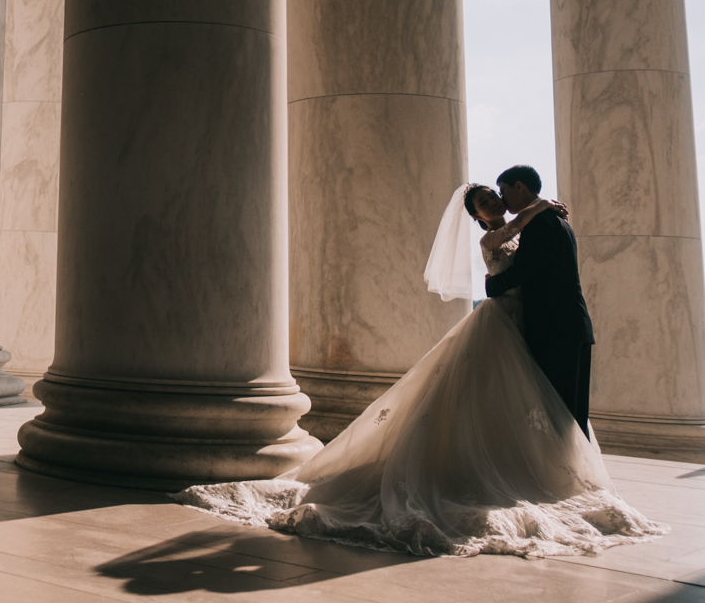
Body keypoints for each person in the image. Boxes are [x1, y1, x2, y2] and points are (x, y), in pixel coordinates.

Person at [173, 177, 663, 558]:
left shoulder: (522, 228)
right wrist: (540, 205)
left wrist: (539, 211)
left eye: (494, 197)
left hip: (523, 326)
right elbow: (514, 240)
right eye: (484, 203)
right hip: (498, 323)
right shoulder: (494, 239)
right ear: (474, 216)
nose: (493, 204)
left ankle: (532, 464)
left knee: (522, 403)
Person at [484, 165, 594, 435]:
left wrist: (491, 285)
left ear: (518, 186)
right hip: (572, 324)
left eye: (503, 191)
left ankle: (564, 474)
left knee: (559, 412)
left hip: (554, 328)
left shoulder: (539, 222)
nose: (501, 198)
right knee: (572, 413)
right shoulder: (557, 219)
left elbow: (523, 272)